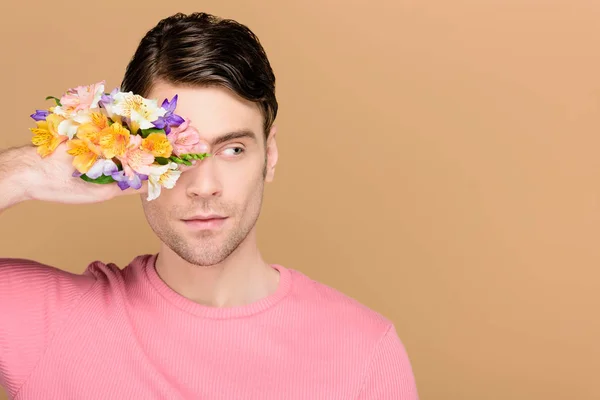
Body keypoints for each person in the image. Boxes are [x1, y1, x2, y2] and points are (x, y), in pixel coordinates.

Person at [0, 12, 418, 400]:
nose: (204, 186)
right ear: (133, 156)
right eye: (175, 153)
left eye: (233, 149)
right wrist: (24, 173)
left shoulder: (364, 351)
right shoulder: (48, 321)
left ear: (269, 157)